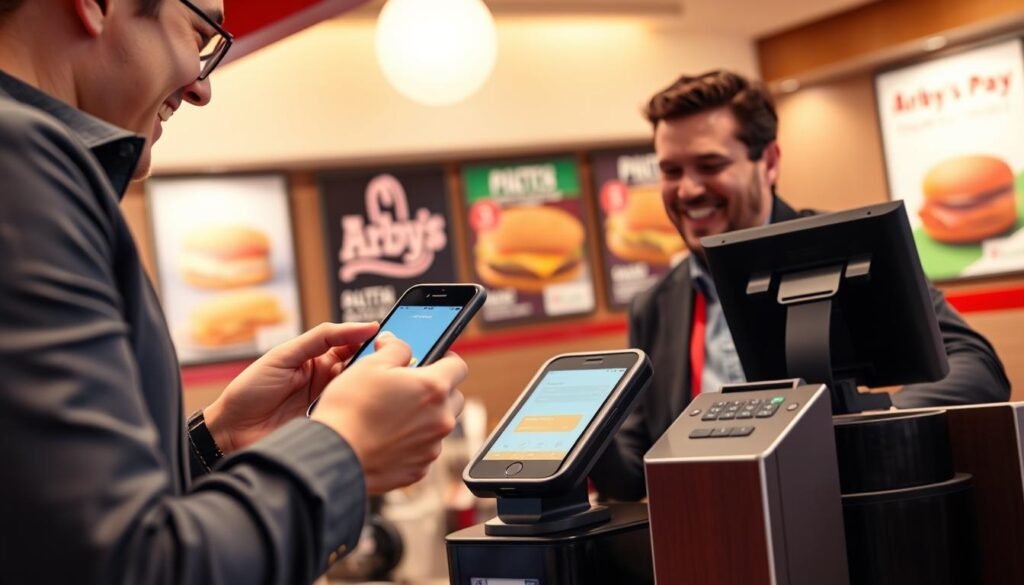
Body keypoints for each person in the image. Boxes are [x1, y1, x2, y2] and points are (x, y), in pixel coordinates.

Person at [0, 0, 467, 583]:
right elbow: (127, 568)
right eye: (199, 33)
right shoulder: (19, 164)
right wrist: (342, 449)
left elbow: (47, 529)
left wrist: (215, 439)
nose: (201, 89)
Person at [591, 70, 1011, 501]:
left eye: (710, 165)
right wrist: (584, 440)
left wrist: (873, 423)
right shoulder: (656, 304)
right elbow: (634, 470)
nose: (688, 189)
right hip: (714, 539)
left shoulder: (843, 246)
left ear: (769, 162)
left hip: (835, 521)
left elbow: (977, 367)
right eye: (671, 170)